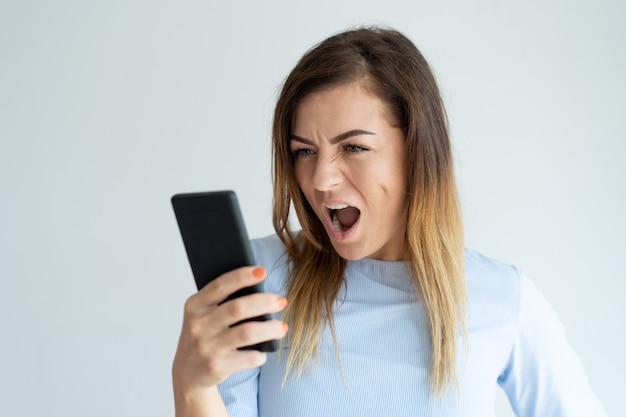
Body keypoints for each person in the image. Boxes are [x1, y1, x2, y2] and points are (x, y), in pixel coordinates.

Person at [172, 27, 605, 417]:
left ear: (416, 153)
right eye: (304, 151)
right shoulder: (258, 281)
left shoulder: (502, 298)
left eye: (354, 148)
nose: (321, 179)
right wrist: (191, 388)